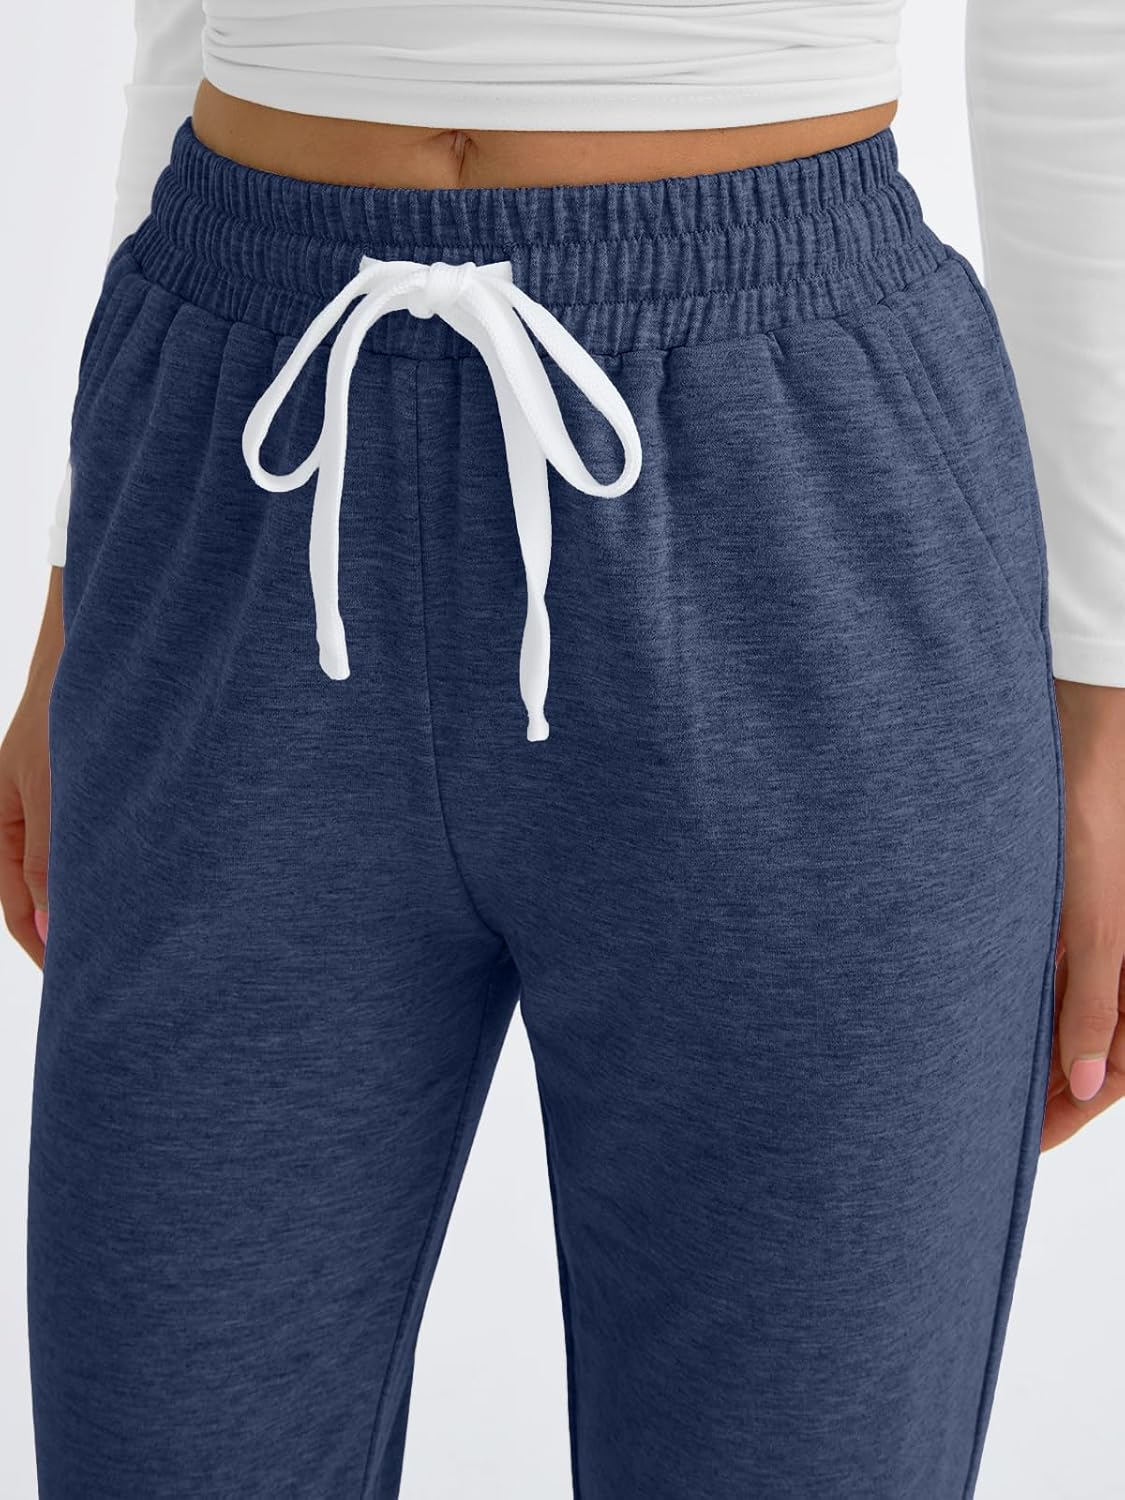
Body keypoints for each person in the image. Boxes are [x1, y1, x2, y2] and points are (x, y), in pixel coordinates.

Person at [1, 1, 1121, 1495]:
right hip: (241, 428)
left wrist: (1107, 702)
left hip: (789, 467)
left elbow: (1079, 32)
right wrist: (84, 567)